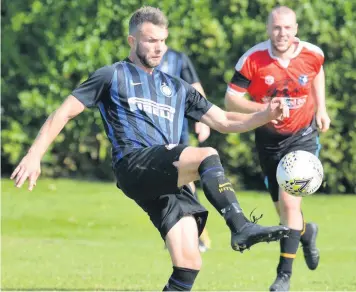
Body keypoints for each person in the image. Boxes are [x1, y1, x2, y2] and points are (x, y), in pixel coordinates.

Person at [11, 6, 290, 291]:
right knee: (207, 154)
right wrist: (34, 155)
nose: (159, 48)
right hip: (134, 164)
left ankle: (232, 235)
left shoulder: (177, 87)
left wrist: (265, 115)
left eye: (163, 41)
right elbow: (64, 112)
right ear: (132, 41)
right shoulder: (112, 75)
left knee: (189, 263)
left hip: (165, 176)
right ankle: (241, 227)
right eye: (151, 41)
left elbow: (224, 119)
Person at [224, 6, 330, 292]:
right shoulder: (253, 59)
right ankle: (306, 234)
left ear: (295, 29)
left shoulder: (312, 53)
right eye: (276, 28)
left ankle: (283, 276)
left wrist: (322, 108)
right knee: (284, 213)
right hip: (268, 141)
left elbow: (317, 72)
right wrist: (265, 110)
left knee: (290, 202)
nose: (281, 34)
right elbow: (231, 99)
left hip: (303, 137)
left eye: (287, 28)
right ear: (268, 29)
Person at [157, 47, 212, 252]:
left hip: (175, 130)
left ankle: (198, 233)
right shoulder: (136, 60)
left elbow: (195, 87)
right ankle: (176, 232)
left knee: (185, 180)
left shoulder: (178, 58)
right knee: (163, 183)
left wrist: (203, 119)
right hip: (150, 133)